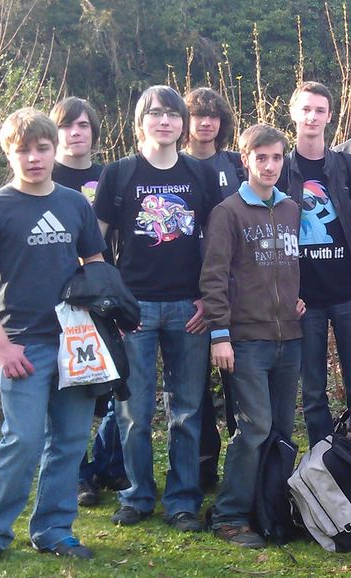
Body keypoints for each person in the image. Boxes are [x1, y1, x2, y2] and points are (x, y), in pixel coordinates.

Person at [0, 108, 106, 570]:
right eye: (23, 150)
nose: (34, 158)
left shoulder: (75, 204)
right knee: (22, 440)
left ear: (54, 150)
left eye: (42, 148)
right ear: (9, 153)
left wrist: (107, 321)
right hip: (22, 345)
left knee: (70, 441)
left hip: (76, 344)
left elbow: (96, 266)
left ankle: (54, 528)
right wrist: (1, 345)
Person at [93, 85, 220, 532]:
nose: (164, 121)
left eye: (172, 114)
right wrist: (111, 302)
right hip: (135, 310)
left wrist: (209, 297)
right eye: (155, 113)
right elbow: (93, 243)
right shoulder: (119, 173)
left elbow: (216, 242)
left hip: (189, 308)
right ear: (140, 122)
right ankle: (138, 496)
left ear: (183, 124)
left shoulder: (199, 174)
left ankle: (183, 500)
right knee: (134, 412)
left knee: (187, 412)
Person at [201, 123, 304, 548]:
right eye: (261, 158)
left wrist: (297, 298)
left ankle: (270, 510)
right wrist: (219, 335)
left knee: (281, 429)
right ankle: (229, 515)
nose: (270, 165)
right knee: (254, 427)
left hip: (289, 338)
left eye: (277, 157)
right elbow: (214, 277)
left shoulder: (292, 208)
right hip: (246, 340)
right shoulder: (228, 212)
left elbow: (292, 266)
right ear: (245, 160)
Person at [283, 81, 351, 482]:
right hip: (303, 298)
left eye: (320, 110)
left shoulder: (349, 168)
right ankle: (324, 473)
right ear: (293, 113)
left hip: (348, 293)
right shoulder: (280, 168)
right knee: (313, 394)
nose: (312, 117)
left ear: (329, 115)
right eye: (305, 109)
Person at [49, 96, 129, 507]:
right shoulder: (45, 173)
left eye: (83, 125)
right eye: (67, 125)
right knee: (71, 385)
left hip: (105, 295)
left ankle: (109, 464)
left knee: (118, 383)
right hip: (61, 298)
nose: (75, 132)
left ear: (94, 132)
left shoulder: (107, 176)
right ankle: (79, 476)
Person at [182, 86, 245, 491]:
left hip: (234, 293)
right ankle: (202, 468)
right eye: (198, 115)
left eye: (213, 116)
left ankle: (243, 469)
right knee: (193, 391)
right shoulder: (173, 167)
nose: (206, 123)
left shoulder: (237, 165)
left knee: (238, 383)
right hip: (186, 296)